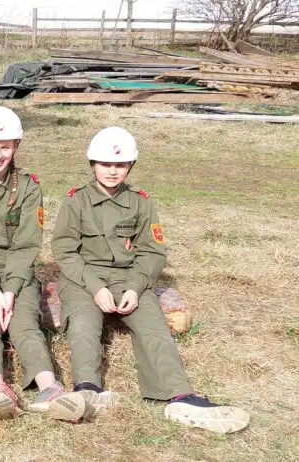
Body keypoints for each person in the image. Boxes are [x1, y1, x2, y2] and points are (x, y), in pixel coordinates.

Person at [52, 126, 250, 434]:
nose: (112, 171)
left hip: (130, 277)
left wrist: (135, 286)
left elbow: (153, 251)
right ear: (92, 165)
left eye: (120, 164)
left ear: (130, 166)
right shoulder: (75, 201)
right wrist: (96, 287)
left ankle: (180, 396)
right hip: (83, 279)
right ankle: (87, 390)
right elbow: (65, 252)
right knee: (83, 326)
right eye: (105, 164)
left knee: (154, 328)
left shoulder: (141, 202)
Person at [0, 107, 86, 422]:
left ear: (16, 147)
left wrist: (9, 290)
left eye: (6, 146)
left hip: (16, 268)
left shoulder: (28, 186)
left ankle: (51, 389)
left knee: (25, 324)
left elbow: (26, 245)